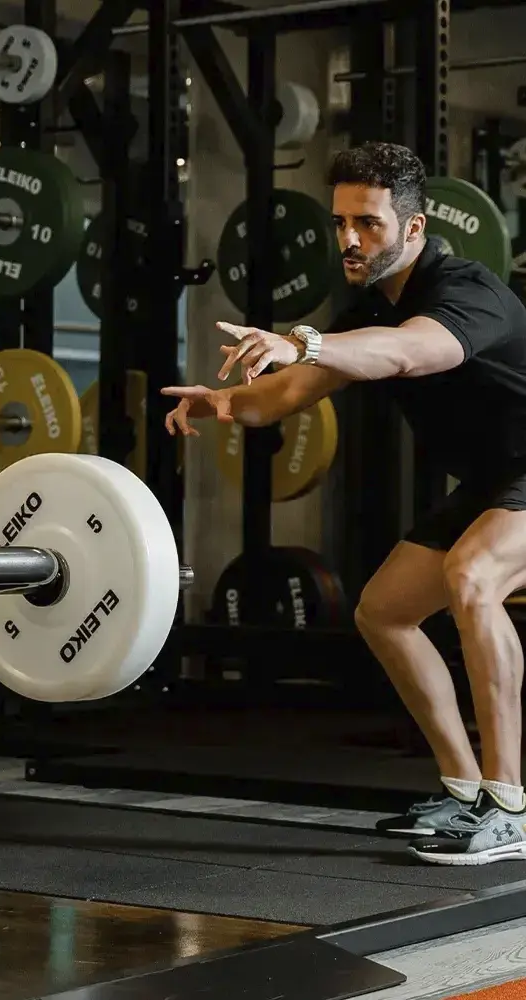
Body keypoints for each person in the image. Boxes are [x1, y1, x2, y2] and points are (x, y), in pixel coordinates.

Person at [163, 141, 526, 866]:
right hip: (495, 482)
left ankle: (511, 807)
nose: (350, 239)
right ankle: (464, 790)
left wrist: (302, 341)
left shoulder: (466, 290)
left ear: (414, 228)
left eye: (369, 223)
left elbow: (406, 353)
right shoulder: (370, 308)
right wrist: (224, 401)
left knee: (473, 577)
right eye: (340, 223)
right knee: (384, 611)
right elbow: (291, 392)